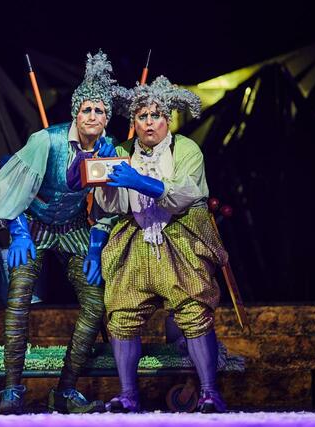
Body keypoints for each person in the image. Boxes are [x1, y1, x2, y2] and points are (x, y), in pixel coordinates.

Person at [0, 50, 119, 414]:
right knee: (18, 298)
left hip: (74, 228)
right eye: (86, 109)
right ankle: (12, 389)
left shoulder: (108, 150)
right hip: (33, 224)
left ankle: (65, 390)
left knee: (96, 304)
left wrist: (95, 247)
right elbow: (11, 182)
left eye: (99, 111)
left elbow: (108, 204)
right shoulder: (45, 140)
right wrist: (18, 230)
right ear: (76, 112)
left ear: (107, 117)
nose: (92, 116)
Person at [95, 76, 229, 413]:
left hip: (180, 239)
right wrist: (105, 172)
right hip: (136, 242)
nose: (149, 122)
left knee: (194, 310)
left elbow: (185, 193)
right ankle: (128, 395)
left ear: (167, 119)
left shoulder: (186, 149)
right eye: (142, 116)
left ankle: (209, 392)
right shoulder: (123, 152)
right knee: (122, 312)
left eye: (156, 115)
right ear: (134, 121)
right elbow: (111, 206)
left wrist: (139, 180)